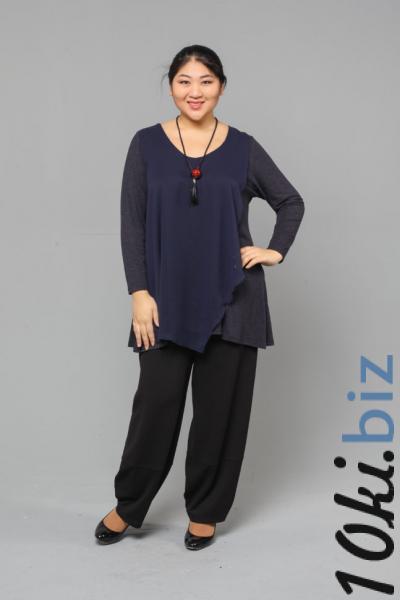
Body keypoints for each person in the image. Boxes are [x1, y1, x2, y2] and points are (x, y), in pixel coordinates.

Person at [95, 44, 305, 551]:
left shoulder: (244, 148)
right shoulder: (146, 145)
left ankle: (205, 512)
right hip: (163, 301)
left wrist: (273, 251)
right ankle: (129, 505)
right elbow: (132, 223)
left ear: (221, 87)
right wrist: (139, 292)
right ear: (171, 86)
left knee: (219, 415)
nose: (195, 92)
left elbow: (290, 202)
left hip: (233, 300)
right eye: (185, 81)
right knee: (155, 407)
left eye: (206, 81)